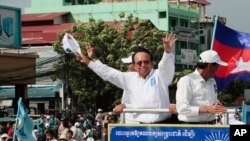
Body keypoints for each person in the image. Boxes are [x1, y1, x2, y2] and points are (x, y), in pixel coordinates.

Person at [76, 32, 177, 123]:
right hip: (140, 128)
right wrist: (88, 62)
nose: (143, 65)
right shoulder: (129, 78)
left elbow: (166, 66)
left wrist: (167, 52)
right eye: (139, 63)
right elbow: (108, 73)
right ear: (134, 65)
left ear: (152, 63)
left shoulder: (160, 75)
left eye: (146, 62)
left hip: (163, 127)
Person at [176, 50, 228, 124]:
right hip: (190, 128)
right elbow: (181, 108)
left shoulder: (212, 81)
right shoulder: (187, 80)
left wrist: (217, 105)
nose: (218, 69)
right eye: (217, 66)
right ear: (210, 66)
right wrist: (207, 109)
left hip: (210, 125)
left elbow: (212, 101)